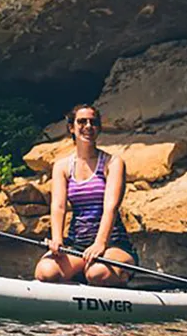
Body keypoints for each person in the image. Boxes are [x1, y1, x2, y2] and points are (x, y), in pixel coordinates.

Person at [34, 104, 137, 286]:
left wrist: (100, 243)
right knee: (45, 272)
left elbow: (110, 207)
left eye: (93, 122)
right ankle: (79, 278)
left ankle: (119, 274)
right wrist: (57, 238)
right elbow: (58, 206)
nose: (88, 126)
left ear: (99, 128)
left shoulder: (113, 163)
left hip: (112, 243)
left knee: (98, 273)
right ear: (71, 128)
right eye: (82, 122)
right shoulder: (62, 166)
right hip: (77, 244)